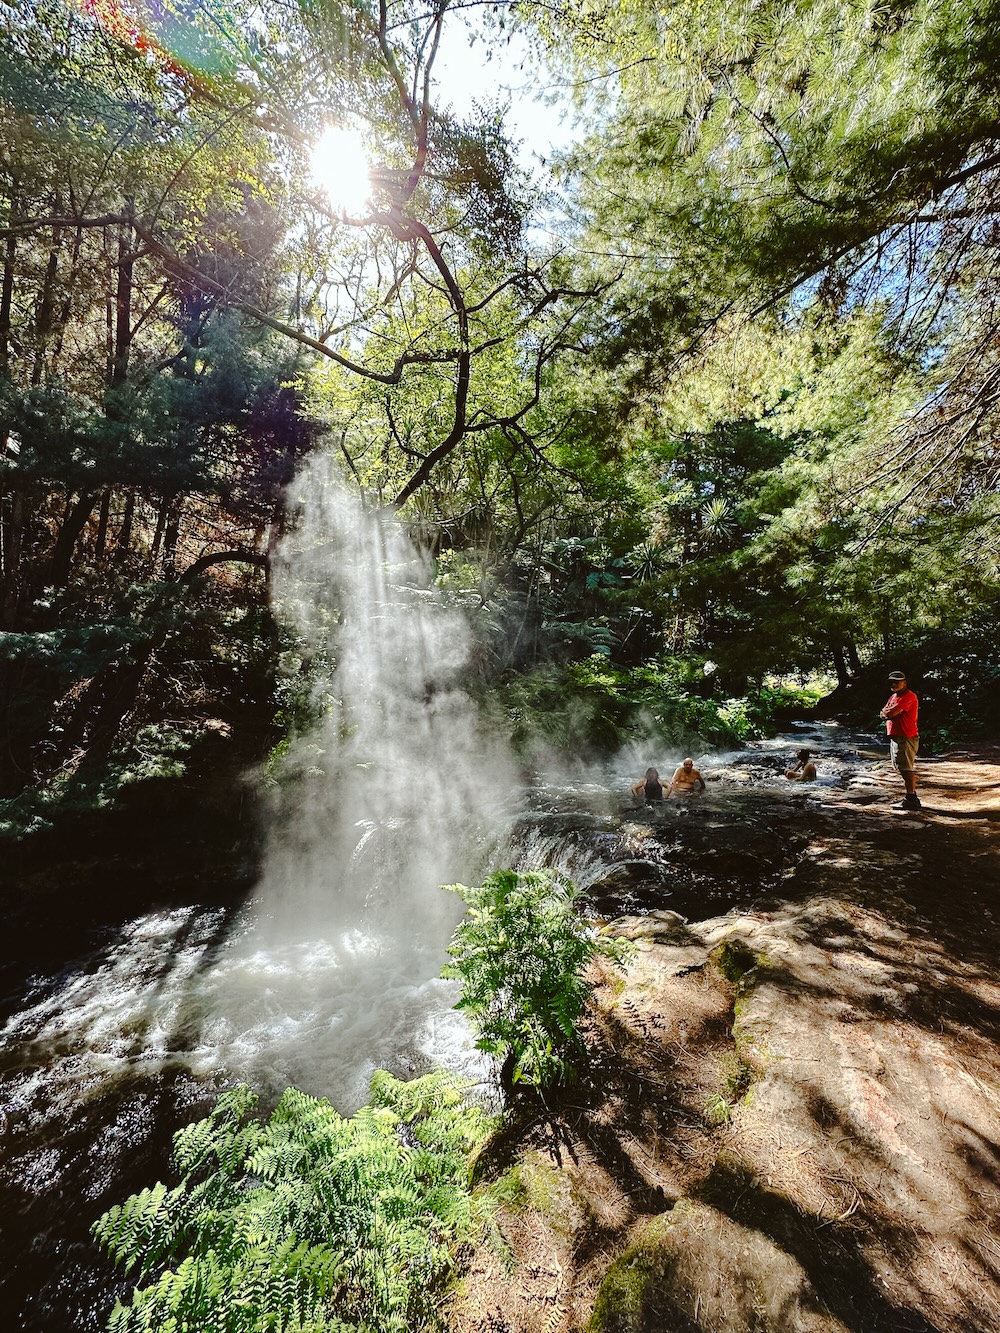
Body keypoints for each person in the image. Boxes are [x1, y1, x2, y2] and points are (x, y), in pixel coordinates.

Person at [880, 670, 921, 810]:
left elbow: (889, 712)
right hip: (897, 736)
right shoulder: (893, 697)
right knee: (902, 767)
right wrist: (888, 713)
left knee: (906, 767)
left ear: (905, 683)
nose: (894, 683)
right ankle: (911, 797)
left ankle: (911, 798)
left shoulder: (909, 696)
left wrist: (889, 713)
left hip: (906, 736)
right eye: (892, 681)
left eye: (897, 681)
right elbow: (882, 713)